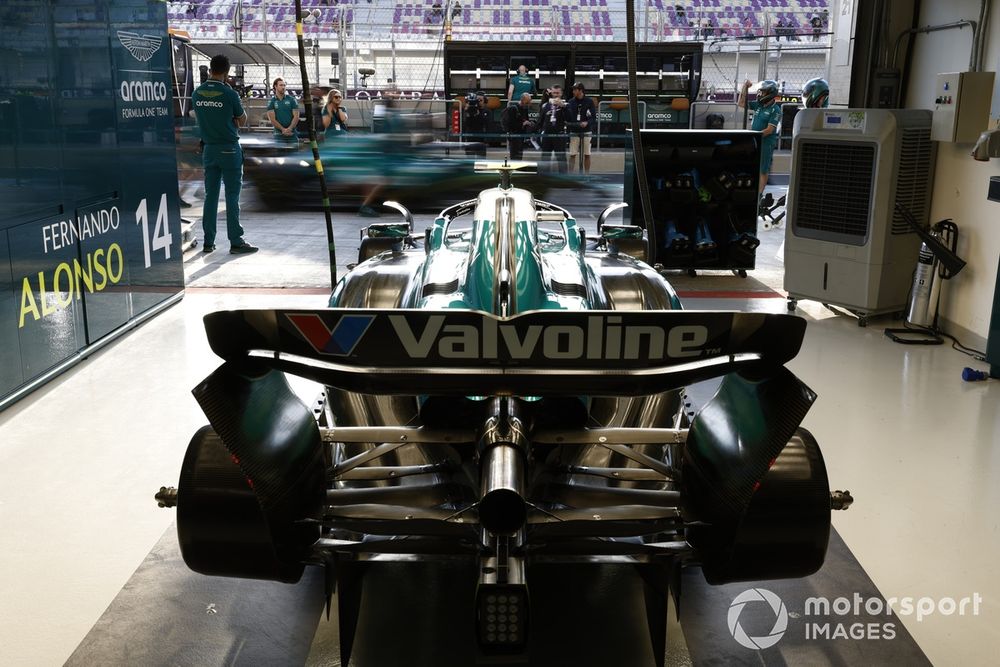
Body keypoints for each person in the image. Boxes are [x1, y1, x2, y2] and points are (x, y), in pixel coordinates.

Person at [191, 54, 257, 254]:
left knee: (210, 196)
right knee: (231, 196)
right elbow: (242, 120)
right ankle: (236, 241)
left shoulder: (197, 93)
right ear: (227, 73)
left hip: (209, 149)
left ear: (210, 69)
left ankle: (208, 242)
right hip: (229, 148)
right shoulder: (230, 94)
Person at [738, 79, 781, 194]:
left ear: (770, 94)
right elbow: (741, 103)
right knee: (753, 166)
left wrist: (754, 136)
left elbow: (769, 130)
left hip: (766, 143)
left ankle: (759, 194)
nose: (760, 94)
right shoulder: (759, 105)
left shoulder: (775, 110)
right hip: (755, 140)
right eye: (760, 92)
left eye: (763, 92)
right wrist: (744, 88)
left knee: (763, 169)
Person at [565, 82, 596, 174]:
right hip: (574, 131)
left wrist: (587, 123)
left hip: (586, 131)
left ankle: (586, 176)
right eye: (573, 89)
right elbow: (568, 118)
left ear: (581, 90)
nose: (573, 91)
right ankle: (570, 176)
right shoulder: (570, 102)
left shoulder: (589, 102)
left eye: (575, 89)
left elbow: (593, 118)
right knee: (572, 154)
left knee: (587, 154)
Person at [538, 85, 568, 173]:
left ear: (561, 93)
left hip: (559, 135)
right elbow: (540, 121)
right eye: (554, 93)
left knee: (561, 159)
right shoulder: (546, 105)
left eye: (558, 93)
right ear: (551, 93)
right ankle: (544, 178)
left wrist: (563, 106)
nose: (555, 95)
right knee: (545, 158)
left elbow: (569, 118)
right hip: (547, 135)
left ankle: (563, 179)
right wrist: (532, 130)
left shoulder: (566, 105)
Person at [502, 93, 535, 160]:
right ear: (522, 100)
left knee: (519, 155)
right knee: (514, 155)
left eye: (529, 102)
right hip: (514, 135)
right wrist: (523, 124)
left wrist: (528, 123)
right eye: (527, 102)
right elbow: (510, 124)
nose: (528, 104)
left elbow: (526, 119)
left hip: (521, 135)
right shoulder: (513, 109)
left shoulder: (525, 109)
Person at [266, 77, 299, 142]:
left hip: (292, 134)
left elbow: (296, 116)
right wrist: (283, 129)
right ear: (275, 86)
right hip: (278, 135)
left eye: (284, 85)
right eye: (281, 85)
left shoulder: (292, 99)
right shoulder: (271, 102)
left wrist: (289, 129)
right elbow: (272, 119)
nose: (283, 87)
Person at [463, 90, 490, 158]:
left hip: (481, 139)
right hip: (470, 138)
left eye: (480, 100)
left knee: (481, 161)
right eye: (477, 100)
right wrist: (467, 113)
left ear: (485, 101)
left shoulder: (487, 111)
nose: (478, 102)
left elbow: (486, 123)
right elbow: (466, 124)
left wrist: (478, 114)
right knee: (469, 161)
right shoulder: (469, 110)